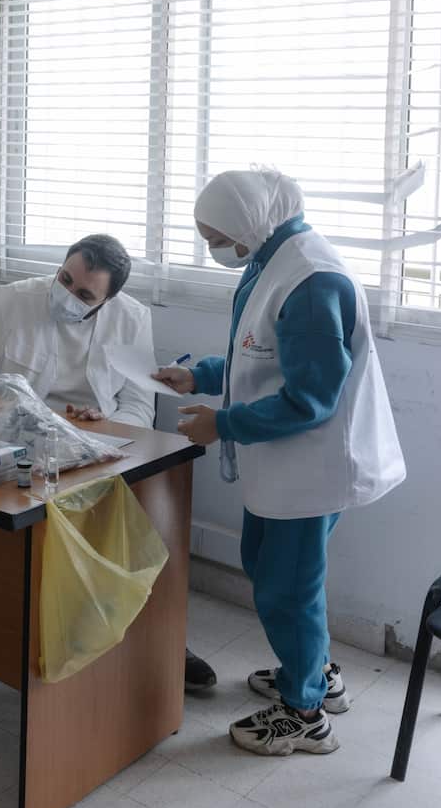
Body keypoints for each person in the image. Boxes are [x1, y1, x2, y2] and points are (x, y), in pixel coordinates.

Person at [154, 169, 405, 756]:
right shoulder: (271, 258)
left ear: (245, 223)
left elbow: (310, 399)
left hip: (312, 466)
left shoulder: (313, 282)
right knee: (272, 570)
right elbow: (258, 353)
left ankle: (305, 710)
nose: (212, 246)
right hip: (286, 463)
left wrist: (223, 424)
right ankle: (310, 669)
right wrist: (201, 375)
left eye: (214, 234)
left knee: (288, 588)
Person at [0, 233, 218, 692]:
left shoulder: (131, 320)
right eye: (64, 279)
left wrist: (106, 420)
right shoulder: (15, 299)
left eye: (84, 293)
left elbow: (139, 406)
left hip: (91, 447)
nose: (67, 294)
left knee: (146, 514)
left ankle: (156, 635)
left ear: (108, 299)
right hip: (10, 441)